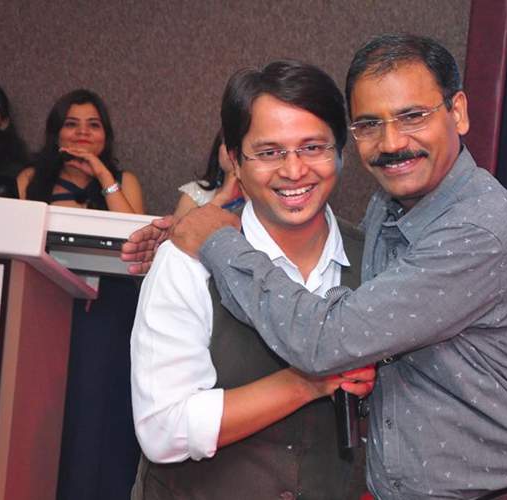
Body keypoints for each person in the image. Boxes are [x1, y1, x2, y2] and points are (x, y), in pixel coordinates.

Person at [123, 34, 507, 499]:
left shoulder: (475, 230)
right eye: (370, 124)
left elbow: (328, 342)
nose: (392, 142)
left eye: (412, 116)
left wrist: (214, 238)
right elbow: (162, 430)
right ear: (236, 160)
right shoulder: (386, 218)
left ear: (457, 112)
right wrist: (192, 237)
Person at [130, 60, 373, 500]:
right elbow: (163, 429)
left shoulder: (376, 260)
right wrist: (307, 382)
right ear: (235, 161)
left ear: (341, 151)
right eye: (269, 152)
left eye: (313, 147)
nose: (294, 170)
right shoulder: (188, 258)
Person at [18, 89, 144, 499]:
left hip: (111, 308)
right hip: (48, 303)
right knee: (51, 403)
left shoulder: (124, 181)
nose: (83, 133)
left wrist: (103, 176)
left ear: (107, 134)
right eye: (72, 124)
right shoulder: (30, 180)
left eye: (93, 125)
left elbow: (136, 238)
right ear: (56, 132)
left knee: (103, 404)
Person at [173, 130, 243, 219]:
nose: (232, 151)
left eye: (239, 145)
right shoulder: (196, 192)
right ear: (218, 150)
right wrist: (222, 197)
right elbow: (180, 228)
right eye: (229, 143)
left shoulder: (256, 198)